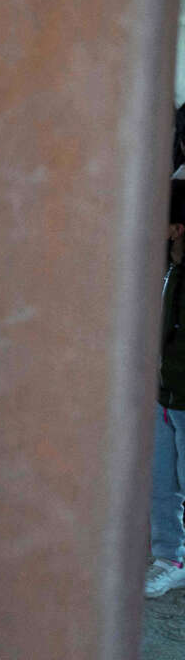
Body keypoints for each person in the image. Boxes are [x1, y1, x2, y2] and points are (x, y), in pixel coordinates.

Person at [146, 180, 185, 598]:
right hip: (162, 395)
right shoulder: (168, 267)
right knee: (160, 482)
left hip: (180, 393)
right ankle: (169, 557)